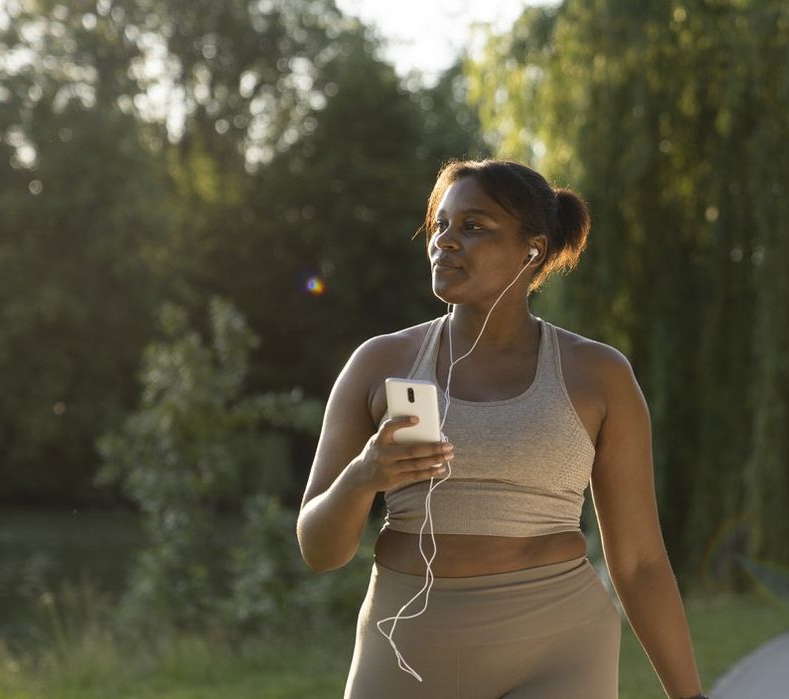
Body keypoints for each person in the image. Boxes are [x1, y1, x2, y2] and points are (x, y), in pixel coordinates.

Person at [296, 159, 707, 699]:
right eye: (440, 225)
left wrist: (690, 696)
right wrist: (363, 476)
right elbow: (319, 550)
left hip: (560, 649)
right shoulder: (379, 364)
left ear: (531, 250)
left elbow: (639, 562)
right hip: (407, 648)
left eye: (473, 227)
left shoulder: (599, 375)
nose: (445, 241)